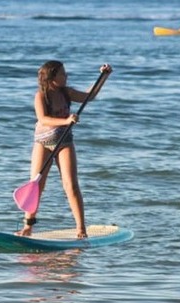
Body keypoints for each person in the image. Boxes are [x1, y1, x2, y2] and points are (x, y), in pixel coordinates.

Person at [18, 61, 112, 239]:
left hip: (64, 142)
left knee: (71, 185)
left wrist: (104, 77)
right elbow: (43, 119)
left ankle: (81, 229)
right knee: (36, 185)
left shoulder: (66, 92)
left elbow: (88, 97)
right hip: (43, 142)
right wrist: (66, 121)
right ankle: (28, 227)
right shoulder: (41, 96)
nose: (66, 76)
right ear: (52, 78)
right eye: (63, 74)